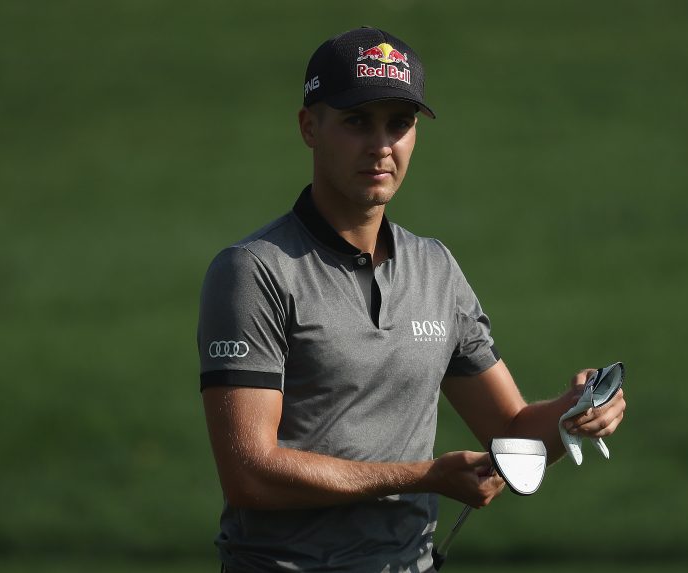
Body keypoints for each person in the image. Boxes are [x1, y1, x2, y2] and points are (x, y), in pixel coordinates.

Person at [197, 26, 626, 572]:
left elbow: (511, 431)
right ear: (310, 127)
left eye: (399, 123)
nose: (381, 146)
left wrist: (573, 413)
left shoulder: (435, 268)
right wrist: (424, 477)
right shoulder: (254, 271)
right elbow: (249, 474)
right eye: (357, 121)